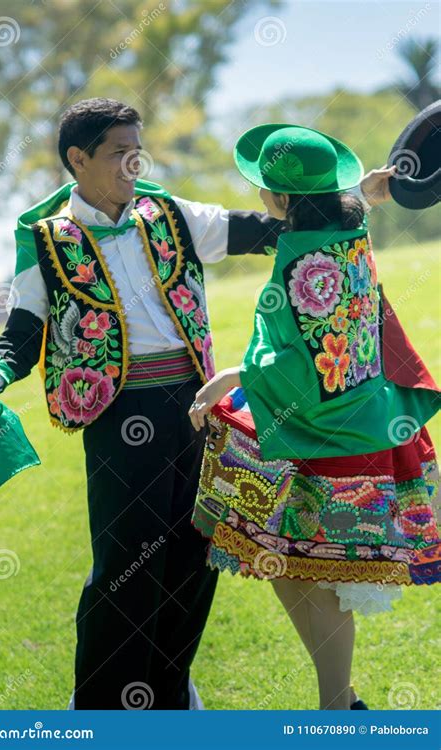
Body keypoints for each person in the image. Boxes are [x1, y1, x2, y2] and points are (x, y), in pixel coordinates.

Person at [0, 100, 390, 710]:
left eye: (138, 149)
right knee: (125, 570)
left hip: (197, 410)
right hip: (117, 418)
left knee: (195, 562)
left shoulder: (169, 212)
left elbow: (275, 229)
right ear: (77, 159)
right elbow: (24, 330)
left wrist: (354, 196)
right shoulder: (46, 236)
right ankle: (101, 712)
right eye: (119, 152)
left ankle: (168, 702)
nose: (133, 163)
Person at [189, 123, 440, 710]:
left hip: (321, 432)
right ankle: (340, 701)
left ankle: (338, 706)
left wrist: (237, 376)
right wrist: (371, 192)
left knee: (301, 565)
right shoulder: (345, 233)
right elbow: (351, 213)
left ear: (280, 201)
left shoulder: (305, 264)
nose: (259, 198)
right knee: (282, 559)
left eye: (264, 188)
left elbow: (302, 371)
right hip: (355, 419)